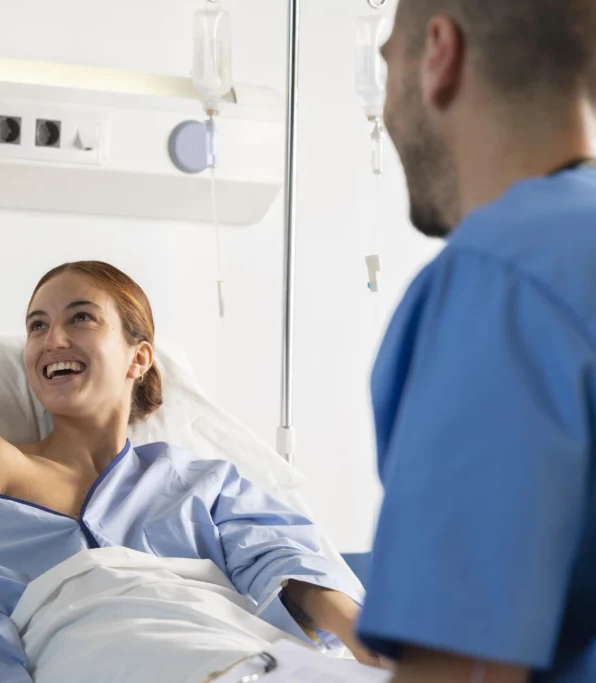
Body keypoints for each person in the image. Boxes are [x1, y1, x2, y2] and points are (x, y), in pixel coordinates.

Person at [0, 261, 378, 682]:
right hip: (104, 650)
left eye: (81, 318)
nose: (52, 338)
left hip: (236, 639)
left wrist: (369, 645)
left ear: (138, 358)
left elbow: (281, 558)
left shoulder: (198, 481)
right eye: (36, 325)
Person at [354, 1, 596, 681]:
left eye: (387, 63)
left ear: (438, 53)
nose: (387, 113)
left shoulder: (500, 279)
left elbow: (460, 672)